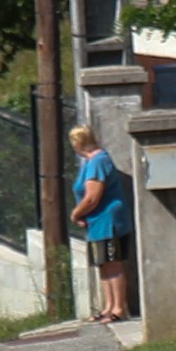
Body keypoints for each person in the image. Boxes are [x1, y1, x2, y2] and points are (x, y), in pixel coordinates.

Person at [67, 125, 132, 323]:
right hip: (96, 222)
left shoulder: (98, 161)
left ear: (78, 143)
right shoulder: (90, 162)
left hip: (107, 220)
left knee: (113, 263)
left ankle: (119, 308)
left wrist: (75, 213)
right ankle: (108, 307)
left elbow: (92, 197)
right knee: (103, 264)